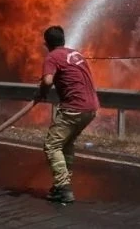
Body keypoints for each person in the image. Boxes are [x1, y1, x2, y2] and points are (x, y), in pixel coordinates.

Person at [34, 25, 99, 203]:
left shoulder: (52, 57)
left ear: (46, 43)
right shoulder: (76, 54)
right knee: (66, 144)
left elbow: (47, 80)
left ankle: (63, 187)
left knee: (52, 146)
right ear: (63, 40)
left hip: (74, 108)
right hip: (91, 108)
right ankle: (61, 184)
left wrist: (42, 92)